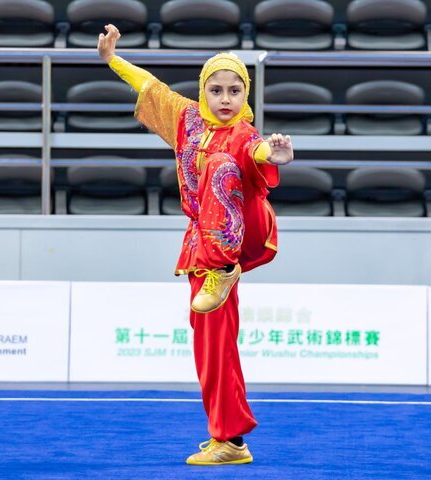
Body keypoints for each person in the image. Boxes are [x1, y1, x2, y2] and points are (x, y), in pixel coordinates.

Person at [98, 24, 293, 466]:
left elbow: (259, 151)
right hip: (200, 245)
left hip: (239, 233)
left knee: (222, 163)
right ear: (204, 92)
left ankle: (222, 270)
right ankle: (229, 439)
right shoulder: (187, 120)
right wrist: (112, 60)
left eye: (235, 91)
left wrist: (275, 154)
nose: (225, 99)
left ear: (247, 96)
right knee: (211, 344)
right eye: (216, 90)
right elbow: (151, 86)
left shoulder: (244, 133)